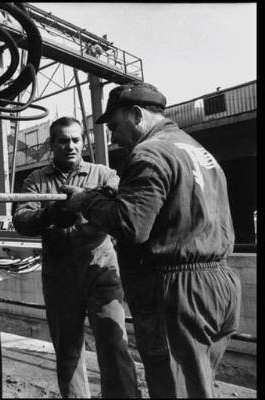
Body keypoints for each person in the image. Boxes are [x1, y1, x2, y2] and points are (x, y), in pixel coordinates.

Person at [59, 82, 241, 398]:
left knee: (174, 389)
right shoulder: (199, 151)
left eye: (114, 126)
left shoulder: (149, 153)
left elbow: (131, 225)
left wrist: (85, 202)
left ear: (137, 114)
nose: (113, 137)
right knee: (198, 386)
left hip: (180, 292)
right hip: (220, 285)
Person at [12, 117, 139, 398]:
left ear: (83, 141)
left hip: (101, 272)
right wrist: (49, 214)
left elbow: (123, 198)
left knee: (113, 346)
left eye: (75, 139)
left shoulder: (104, 174)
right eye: (63, 140)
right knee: (68, 352)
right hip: (60, 277)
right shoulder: (36, 180)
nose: (70, 146)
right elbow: (21, 219)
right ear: (51, 144)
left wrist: (90, 199)